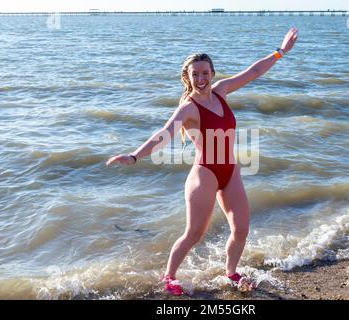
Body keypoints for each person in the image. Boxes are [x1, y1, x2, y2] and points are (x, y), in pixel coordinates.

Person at [106, 27, 299, 295]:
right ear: (187, 77)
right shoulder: (188, 108)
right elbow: (164, 134)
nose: (201, 78)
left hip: (230, 170)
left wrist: (280, 51)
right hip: (205, 173)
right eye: (195, 74)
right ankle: (169, 276)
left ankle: (231, 272)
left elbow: (253, 72)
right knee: (194, 233)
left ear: (213, 73)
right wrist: (135, 156)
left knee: (241, 229)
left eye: (205, 73)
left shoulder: (221, 91)